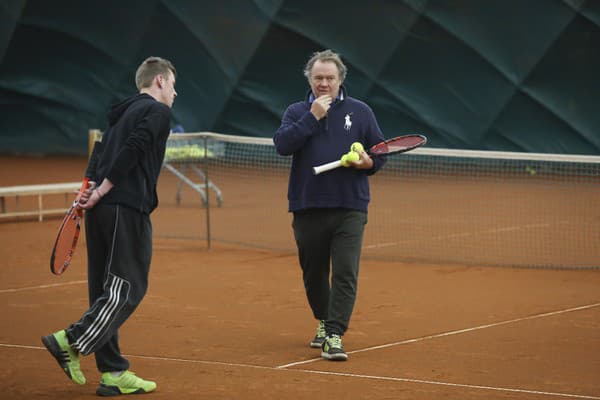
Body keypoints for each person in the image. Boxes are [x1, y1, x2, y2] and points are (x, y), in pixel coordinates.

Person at [42, 56, 177, 395]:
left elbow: (100, 149)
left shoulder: (122, 114)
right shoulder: (157, 112)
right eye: (174, 85)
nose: (175, 93)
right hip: (124, 206)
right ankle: (70, 341)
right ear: (159, 81)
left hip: (102, 208)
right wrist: (101, 190)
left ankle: (113, 371)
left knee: (105, 289)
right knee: (128, 287)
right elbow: (134, 149)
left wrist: (89, 186)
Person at [273, 49, 387, 361]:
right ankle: (323, 320)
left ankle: (334, 335)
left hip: (350, 206)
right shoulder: (296, 111)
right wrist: (313, 117)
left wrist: (367, 163)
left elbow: (379, 153)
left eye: (330, 78)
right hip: (307, 205)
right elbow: (283, 145)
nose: (324, 83)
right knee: (313, 274)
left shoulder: (361, 111)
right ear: (310, 79)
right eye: (318, 78)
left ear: (340, 80)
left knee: (346, 272)